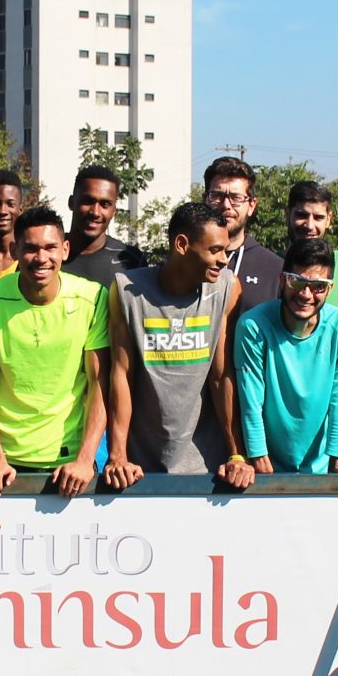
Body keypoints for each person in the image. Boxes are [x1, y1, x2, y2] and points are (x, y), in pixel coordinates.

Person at [0, 206, 113, 495]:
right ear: (14, 251)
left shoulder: (93, 297)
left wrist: (85, 459)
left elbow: (100, 383)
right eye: (31, 249)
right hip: (6, 465)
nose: (41, 258)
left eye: (50, 247)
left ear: (65, 249)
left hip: (70, 464)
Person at [105, 202, 245, 484]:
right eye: (214, 250)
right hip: (139, 467)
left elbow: (221, 377)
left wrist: (236, 455)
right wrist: (118, 455)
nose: (224, 260)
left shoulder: (228, 288)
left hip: (206, 467)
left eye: (226, 251)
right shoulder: (125, 290)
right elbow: (121, 374)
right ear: (182, 244)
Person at [234, 237, 338, 475]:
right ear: (283, 280)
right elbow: (250, 399)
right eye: (297, 282)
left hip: (322, 466)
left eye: (318, 286)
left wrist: (336, 459)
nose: (306, 294)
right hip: (266, 465)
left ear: (330, 288)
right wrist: (258, 455)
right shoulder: (253, 326)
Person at [201, 154, 283, 306]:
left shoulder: (275, 269)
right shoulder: (187, 261)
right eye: (217, 195)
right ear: (204, 200)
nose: (226, 205)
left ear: (251, 205)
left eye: (236, 197)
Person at [64, 165, 148, 287]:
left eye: (105, 204)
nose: (95, 212)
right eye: (88, 201)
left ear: (114, 210)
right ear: (71, 203)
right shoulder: (47, 255)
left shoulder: (133, 261)